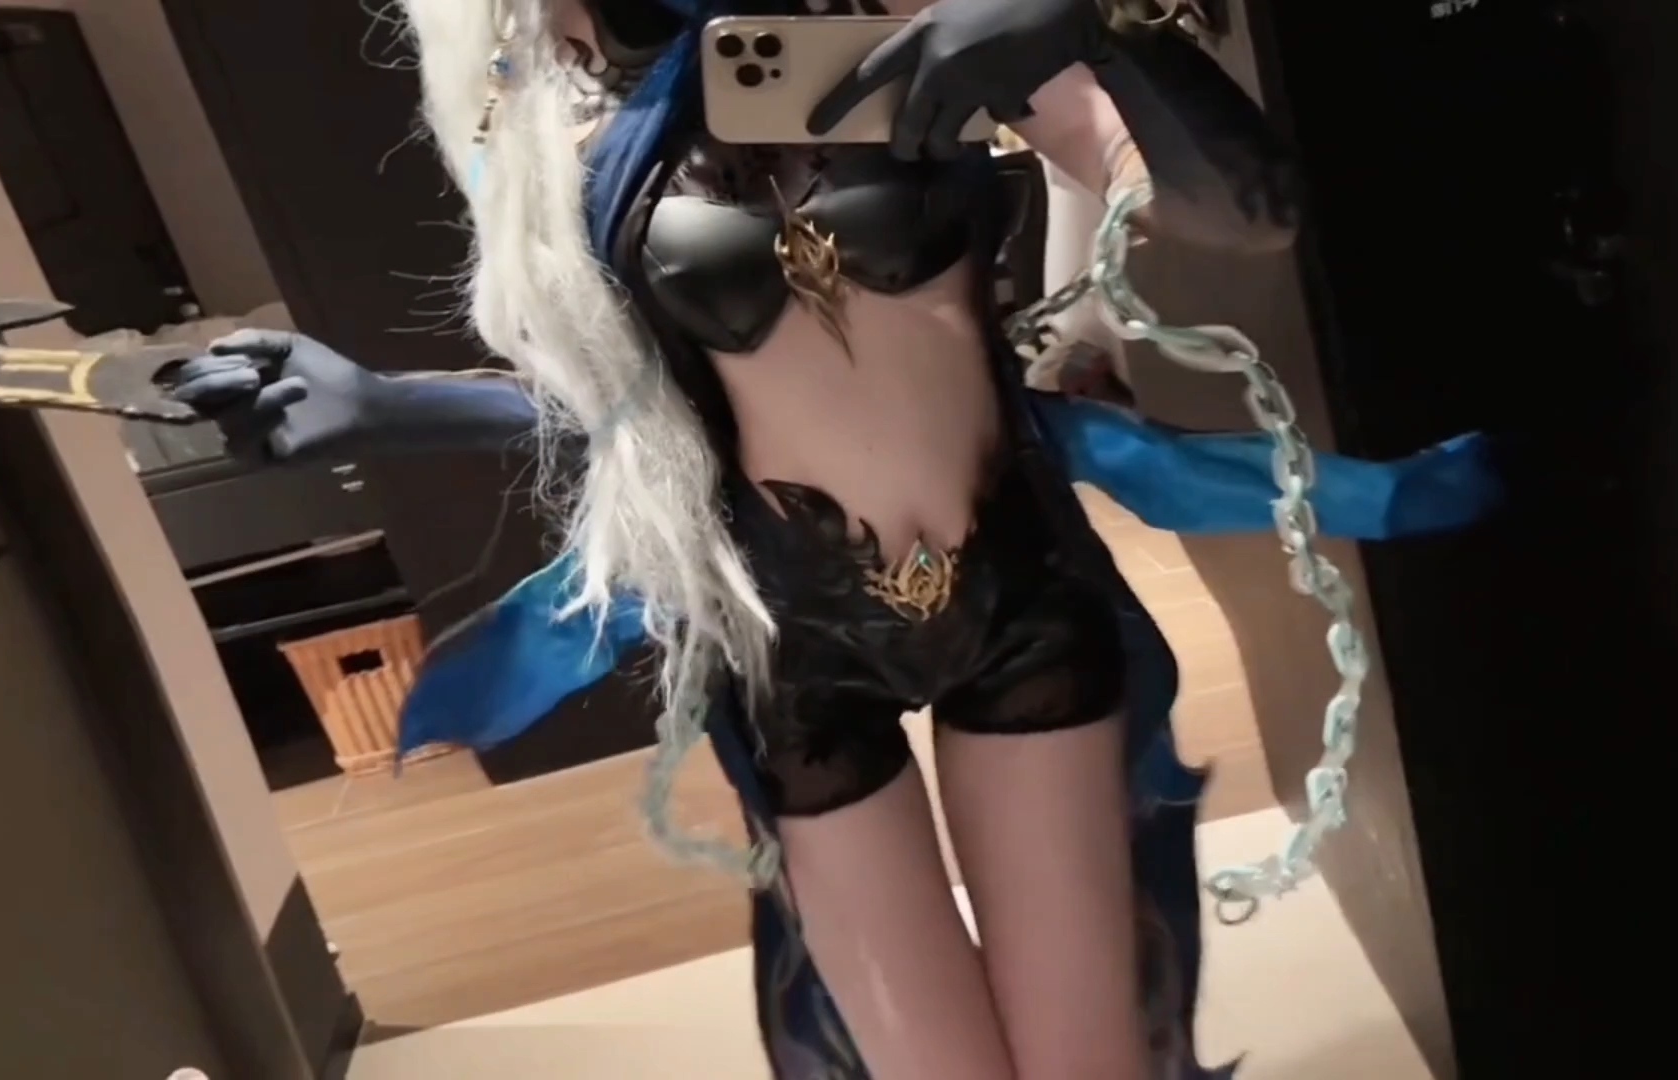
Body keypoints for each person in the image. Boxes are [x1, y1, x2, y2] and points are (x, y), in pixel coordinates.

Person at [170, 2, 1496, 1076]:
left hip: (1012, 590)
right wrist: (389, 408)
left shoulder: (897, 15)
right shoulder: (543, 117)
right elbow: (615, 415)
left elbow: (1241, 210)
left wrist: (1094, 25)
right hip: (793, 638)